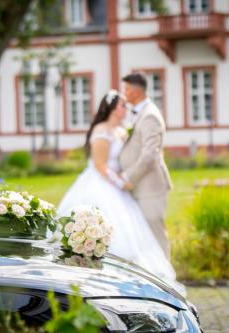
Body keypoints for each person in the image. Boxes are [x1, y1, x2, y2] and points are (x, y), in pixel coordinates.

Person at [58, 89, 176, 280]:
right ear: (113, 109)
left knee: (132, 227)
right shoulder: (101, 131)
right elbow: (100, 165)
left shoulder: (122, 130)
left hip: (119, 183)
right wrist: (120, 182)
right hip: (101, 182)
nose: (126, 109)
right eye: (123, 105)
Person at [119, 73, 173, 259]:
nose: (124, 94)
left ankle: (166, 279)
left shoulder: (150, 116)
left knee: (156, 233)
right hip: (141, 187)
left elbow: (150, 155)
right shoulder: (138, 114)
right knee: (144, 235)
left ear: (135, 92)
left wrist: (128, 177)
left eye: (125, 90)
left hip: (151, 187)